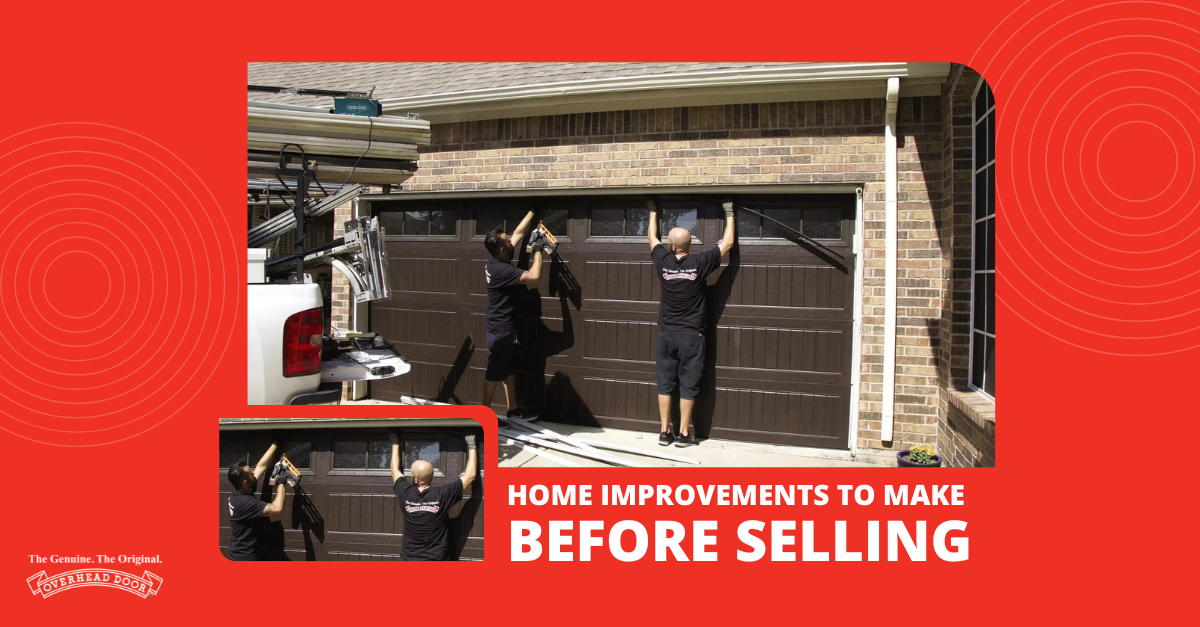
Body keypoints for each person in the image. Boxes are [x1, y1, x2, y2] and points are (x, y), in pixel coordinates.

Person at [647, 199, 736, 447]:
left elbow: (652, 239)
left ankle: (665, 432)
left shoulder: (663, 261)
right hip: (691, 337)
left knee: (665, 384)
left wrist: (653, 212)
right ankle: (684, 434)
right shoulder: (699, 263)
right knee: (688, 384)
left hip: (667, 335)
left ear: (673, 247)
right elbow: (727, 243)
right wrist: (729, 213)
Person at [481, 208, 542, 421]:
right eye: (506, 241)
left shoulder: (499, 257)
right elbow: (534, 276)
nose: (511, 240)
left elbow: (517, 233)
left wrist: (533, 211)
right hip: (500, 330)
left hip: (507, 327)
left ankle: (513, 411)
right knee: (494, 372)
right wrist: (538, 250)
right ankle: (483, 415)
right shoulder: (500, 270)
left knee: (510, 369)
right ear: (502, 249)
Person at [389, 430, 478, 561]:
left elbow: (394, 470)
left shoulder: (405, 492)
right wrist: (471, 445)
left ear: (416, 480)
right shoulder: (442, 494)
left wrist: (395, 444)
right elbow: (470, 476)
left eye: (412, 475)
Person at [226, 442, 288, 561]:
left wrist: (275, 444)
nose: (253, 474)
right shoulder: (244, 503)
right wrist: (280, 484)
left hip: (238, 554)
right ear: (246, 482)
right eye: (250, 474)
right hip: (245, 558)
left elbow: (261, 466)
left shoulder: (239, 491)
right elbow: (277, 508)